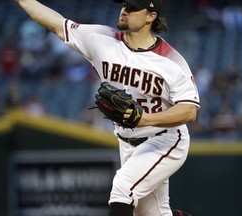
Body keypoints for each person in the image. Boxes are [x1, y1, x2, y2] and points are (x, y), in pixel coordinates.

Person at [12, 0, 200, 215]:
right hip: (127, 142)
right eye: (124, 5)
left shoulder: (172, 61)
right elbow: (56, 23)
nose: (124, 11)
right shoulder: (101, 39)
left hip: (165, 140)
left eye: (132, 8)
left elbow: (189, 111)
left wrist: (144, 119)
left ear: (151, 16)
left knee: (122, 188)